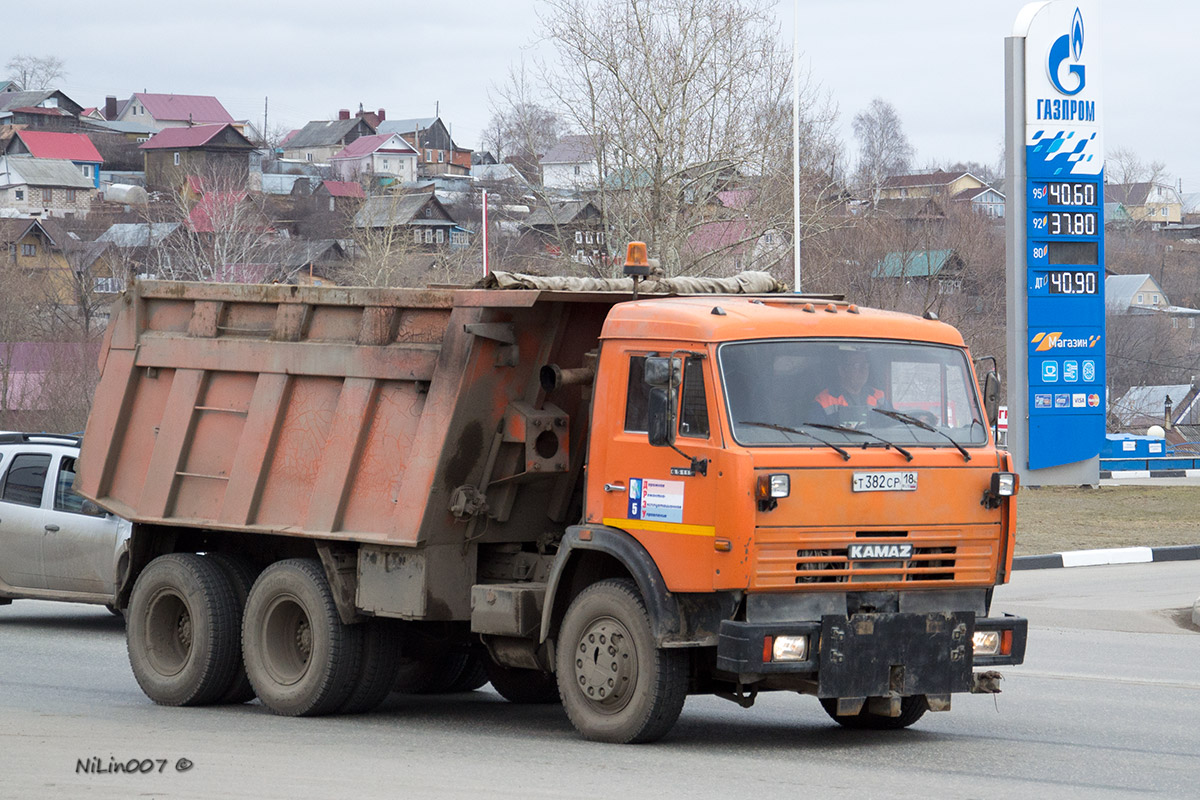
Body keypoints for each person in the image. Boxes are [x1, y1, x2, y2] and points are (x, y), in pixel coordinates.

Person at [810, 349, 887, 423]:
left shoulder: (879, 397)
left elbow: (893, 426)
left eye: (866, 365)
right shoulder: (824, 401)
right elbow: (816, 434)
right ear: (842, 370)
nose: (864, 370)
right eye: (857, 366)